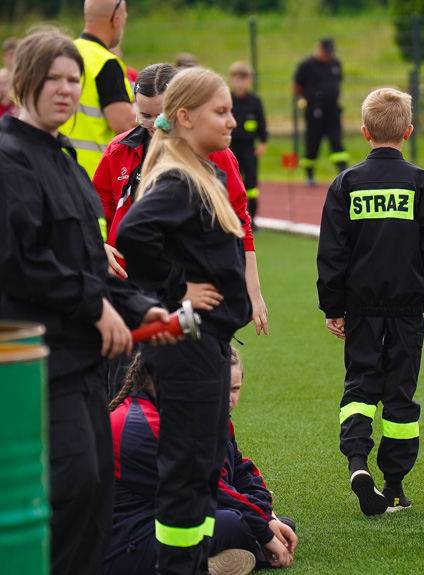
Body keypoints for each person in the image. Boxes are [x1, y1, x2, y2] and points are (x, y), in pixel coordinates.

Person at [0, 29, 173, 575]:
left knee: (97, 485)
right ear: (24, 81)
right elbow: (20, 261)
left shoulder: (71, 165)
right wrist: (95, 306)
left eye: (74, 79)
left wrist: (142, 307)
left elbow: (96, 265)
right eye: (53, 78)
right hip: (35, 366)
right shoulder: (9, 160)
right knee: (72, 486)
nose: (66, 89)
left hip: (84, 362)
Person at [115, 66, 254, 575]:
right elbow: (133, 234)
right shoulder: (178, 177)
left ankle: (191, 563)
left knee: (201, 467)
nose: (232, 121)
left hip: (209, 341)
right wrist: (180, 291)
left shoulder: (205, 171)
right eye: (221, 112)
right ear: (186, 117)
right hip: (190, 343)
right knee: (186, 469)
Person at [316, 87, 424, 516]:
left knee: (360, 386)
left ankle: (357, 463)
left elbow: (333, 251)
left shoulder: (346, 183)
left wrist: (333, 306)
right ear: (408, 131)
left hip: (360, 309)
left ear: (364, 132)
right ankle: (394, 487)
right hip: (405, 311)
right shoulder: (422, 182)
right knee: (400, 394)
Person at [92, 61, 267, 339]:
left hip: (190, 291)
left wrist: (253, 290)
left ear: (181, 109)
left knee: (190, 369)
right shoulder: (118, 150)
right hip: (128, 286)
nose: (153, 125)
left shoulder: (215, 153)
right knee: (126, 374)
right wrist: (97, 244)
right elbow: (100, 209)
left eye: (160, 115)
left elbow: (239, 222)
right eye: (144, 115)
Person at [103, 349, 297, 575]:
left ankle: (223, 555)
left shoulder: (182, 413)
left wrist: (266, 515)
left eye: (233, 389)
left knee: (259, 523)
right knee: (236, 524)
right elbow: (206, 488)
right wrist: (263, 529)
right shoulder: (141, 425)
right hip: (120, 546)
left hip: (154, 519)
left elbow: (240, 472)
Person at [59, 0, 136, 179]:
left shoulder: (65, 52)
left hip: (58, 167)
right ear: (116, 20)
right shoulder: (105, 62)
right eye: (124, 19)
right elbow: (123, 123)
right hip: (95, 175)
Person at [293, 37, 349, 186]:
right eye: (325, 52)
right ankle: (309, 174)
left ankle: (343, 172)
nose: (328, 56)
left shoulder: (335, 64)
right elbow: (297, 86)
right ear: (318, 49)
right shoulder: (306, 66)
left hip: (332, 110)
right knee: (312, 142)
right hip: (314, 111)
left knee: (336, 141)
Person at [228, 61, 268, 230]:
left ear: (249, 80)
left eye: (244, 79)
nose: (240, 83)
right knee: (231, 183)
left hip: (249, 149)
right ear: (231, 79)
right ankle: (231, 218)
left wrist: (263, 143)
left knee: (251, 185)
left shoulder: (254, 101)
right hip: (231, 148)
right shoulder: (227, 99)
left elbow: (262, 124)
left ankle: (252, 219)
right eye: (237, 78)